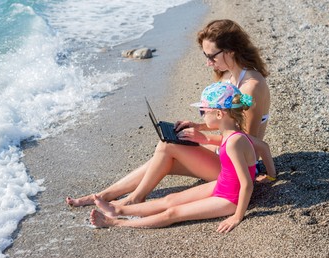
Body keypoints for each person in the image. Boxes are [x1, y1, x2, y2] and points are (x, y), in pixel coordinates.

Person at [66, 19, 273, 207]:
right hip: (223, 155)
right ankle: (104, 195)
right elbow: (226, 121)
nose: (208, 62)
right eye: (205, 55)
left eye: (211, 56)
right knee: (163, 158)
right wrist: (196, 126)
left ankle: (135, 198)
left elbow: (249, 144)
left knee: (166, 147)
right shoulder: (229, 76)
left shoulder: (251, 86)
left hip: (233, 167)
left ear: (231, 51)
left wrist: (204, 138)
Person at [89, 82, 264, 232]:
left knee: (173, 213)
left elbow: (247, 184)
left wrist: (237, 216)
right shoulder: (231, 136)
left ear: (219, 114)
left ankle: (115, 222)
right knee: (169, 200)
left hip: (229, 199)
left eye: (203, 112)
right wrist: (271, 175)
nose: (201, 116)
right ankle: (117, 210)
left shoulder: (234, 141)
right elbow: (264, 148)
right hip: (221, 185)